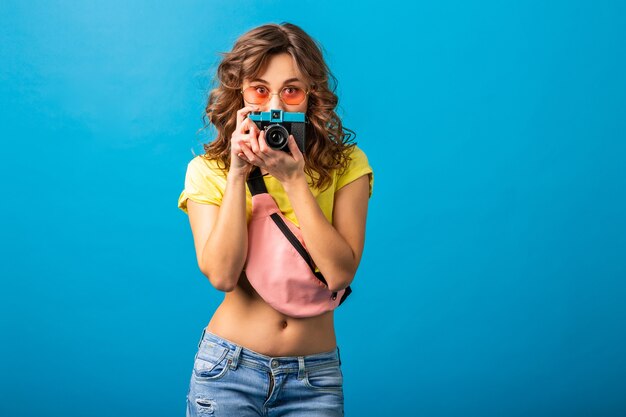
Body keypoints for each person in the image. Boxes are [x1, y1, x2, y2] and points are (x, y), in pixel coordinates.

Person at [177, 22, 374, 417]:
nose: (275, 106)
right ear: (240, 93)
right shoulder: (207, 170)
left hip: (313, 378)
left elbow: (339, 273)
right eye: (260, 90)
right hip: (228, 369)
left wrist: (294, 180)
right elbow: (221, 276)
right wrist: (236, 173)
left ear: (311, 96)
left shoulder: (347, 165)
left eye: (291, 90)